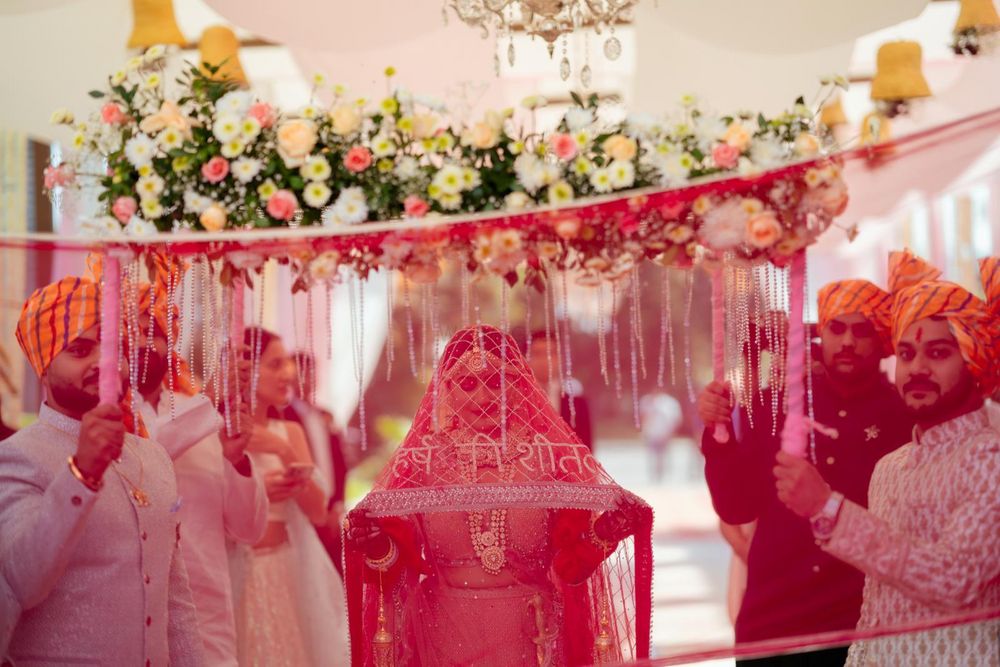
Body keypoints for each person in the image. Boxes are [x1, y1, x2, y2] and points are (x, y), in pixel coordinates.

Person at [344, 325, 653, 666]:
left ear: (519, 386)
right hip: (442, 635)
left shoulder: (550, 458)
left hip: (532, 637)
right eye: (467, 383)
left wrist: (603, 534)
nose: (483, 397)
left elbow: (570, 571)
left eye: (496, 382)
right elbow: (394, 570)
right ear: (447, 389)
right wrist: (375, 545)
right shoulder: (422, 461)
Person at [697, 253, 931, 664]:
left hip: (860, 626)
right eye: (836, 328)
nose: (847, 342)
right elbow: (735, 506)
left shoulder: (903, 418)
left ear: (883, 342)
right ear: (822, 333)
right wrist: (719, 438)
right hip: (774, 622)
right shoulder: (778, 406)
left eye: (862, 331)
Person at [776, 265, 1000, 666]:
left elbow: (955, 580)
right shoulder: (890, 467)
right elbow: (876, 610)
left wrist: (828, 508)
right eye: (906, 354)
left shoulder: (990, 459)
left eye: (938, 353)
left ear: (974, 361)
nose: (917, 369)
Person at [0, 276, 203, 665]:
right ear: (44, 365)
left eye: (115, 348)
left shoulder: (154, 458)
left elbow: (175, 601)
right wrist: (82, 475)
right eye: (80, 349)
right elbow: (21, 584)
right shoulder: (18, 458)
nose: (103, 363)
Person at [129, 257, 268, 667]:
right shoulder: (99, 419)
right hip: (127, 616)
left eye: (152, 334)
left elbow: (248, 529)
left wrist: (236, 459)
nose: (141, 345)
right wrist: (213, 400)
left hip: (207, 617)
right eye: (129, 334)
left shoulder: (205, 417)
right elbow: (145, 456)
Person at [233, 327, 347, 666]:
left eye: (288, 364)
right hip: (234, 566)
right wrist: (256, 491)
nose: (289, 374)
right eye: (275, 364)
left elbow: (315, 511)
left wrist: (281, 449)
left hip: (281, 568)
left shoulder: (290, 432)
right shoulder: (219, 430)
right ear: (244, 369)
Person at [284, 349, 350, 573]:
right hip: (301, 510)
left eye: (311, 372)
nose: (307, 379)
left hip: (331, 510)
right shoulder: (284, 416)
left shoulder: (325, 415)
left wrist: (337, 506)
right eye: (301, 372)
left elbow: (341, 465)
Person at [522, 327, 594, 450]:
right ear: (524, 358)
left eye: (551, 353)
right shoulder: (515, 402)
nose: (545, 360)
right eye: (538, 353)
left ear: (560, 358)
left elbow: (586, 453)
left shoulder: (578, 405)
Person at [640, 392, 683, 482]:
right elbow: (643, 417)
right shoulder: (646, 400)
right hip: (651, 433)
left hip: (664, 433)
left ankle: (661, 475)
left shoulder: (669, 402)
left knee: (662, 455)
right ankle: (655, 475)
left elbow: (676, 419)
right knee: (653, 455)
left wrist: (671, 431)